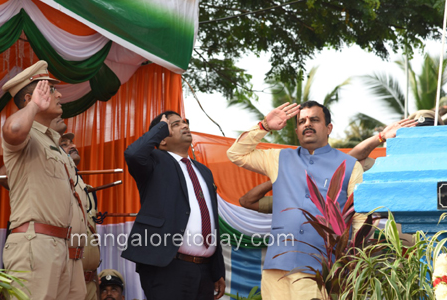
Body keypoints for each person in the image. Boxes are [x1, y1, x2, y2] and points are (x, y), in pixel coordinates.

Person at [227, 101, 363, 300]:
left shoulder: (350, 166)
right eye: (301, 122)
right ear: (297, 131)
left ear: (329, 128)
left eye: (314, 120)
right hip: (276, 268)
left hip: (320, 269)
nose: (307, 124)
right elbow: (236, 154)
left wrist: (355, 260)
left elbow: (359, 216)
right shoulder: (279, 158)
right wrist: (264, 126)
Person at [1, 61, 86, 300]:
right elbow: (14, 129)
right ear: (30, 99)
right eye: (49, 89)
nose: (58, 94)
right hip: (35, 244)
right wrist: (34, 107)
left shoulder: (56, 145)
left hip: (64, 249)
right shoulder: (27, 136)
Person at [122, 111, 225, 300]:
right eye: (176, 124)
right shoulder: (154, 161)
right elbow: (133, 154)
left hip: (204, 270)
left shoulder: (204, 171)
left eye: (185, 122)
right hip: (168, 267)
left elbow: (211, 219)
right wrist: (160, 128)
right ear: (162, 139)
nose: (185, 126)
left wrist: (217, 270)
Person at [241, 118, 417, 213]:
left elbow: (356, 156)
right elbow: (246, 201)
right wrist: (279, 178)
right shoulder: (289, 200)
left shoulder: (332, 177)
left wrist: (381, 137)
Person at [60, 132, 102, 300]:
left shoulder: (88, 188)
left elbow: (92, 237)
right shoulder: (51, 183)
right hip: (66, 281)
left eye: (72, 142)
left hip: (90, 280)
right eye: (64, 144)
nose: (73, 146)